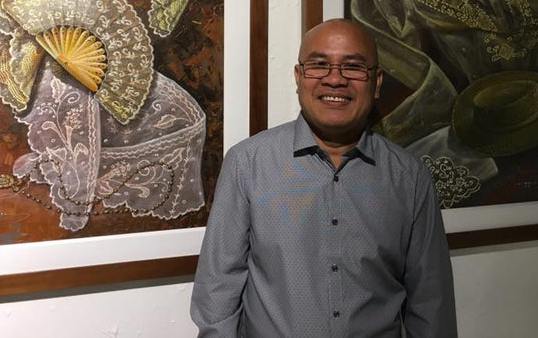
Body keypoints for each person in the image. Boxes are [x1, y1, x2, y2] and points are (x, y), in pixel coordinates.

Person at [190, 18, 457, 337]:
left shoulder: (410, 178)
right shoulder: (248, 164)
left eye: (353, 67)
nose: (335, 79)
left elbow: (431, 303)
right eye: (319, 65)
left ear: (376, 82)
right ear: (299, 77)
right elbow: (217, 293)